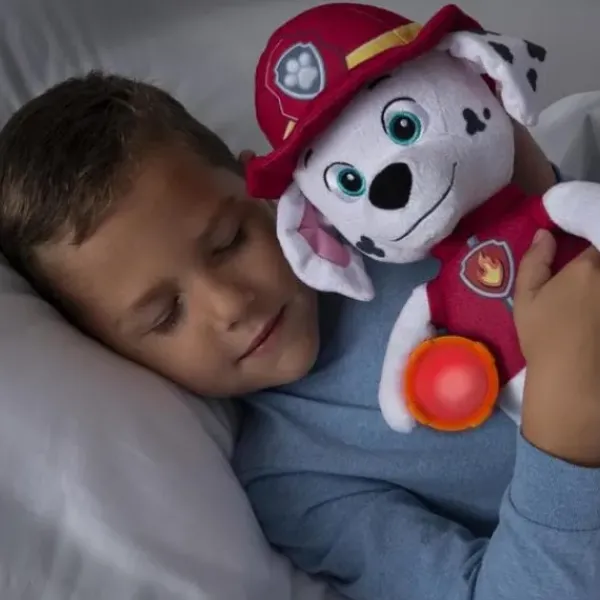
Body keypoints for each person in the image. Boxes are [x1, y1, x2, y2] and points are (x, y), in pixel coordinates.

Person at [0, 72, 598, 600]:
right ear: (112, 350)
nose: (231, 304)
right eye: (164, 315)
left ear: (262, 185)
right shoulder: (295, 483)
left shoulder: (392, 203)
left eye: (229, 242)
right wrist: (564, 445)